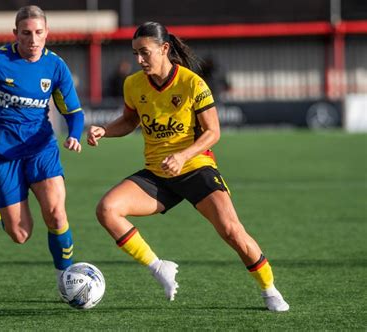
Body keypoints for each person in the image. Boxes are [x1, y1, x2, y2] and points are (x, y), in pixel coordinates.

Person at [87, 21, 289, 312]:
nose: (139, 60)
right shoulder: (133, 85)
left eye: (145, 53)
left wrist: (182, 156)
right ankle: (159, 268)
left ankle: (270, 290)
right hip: (158, 175)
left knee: (232, 231)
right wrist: (105, 130)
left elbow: (213, 132)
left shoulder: (192, 82)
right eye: (135, 54)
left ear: (164, 48)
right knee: (106, 209)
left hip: (196, 168)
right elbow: (130, 121)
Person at [0, 5, 84, 286]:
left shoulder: (55, 66)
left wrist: (74, 134)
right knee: (21, 235)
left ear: (47, 33)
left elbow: (74, 112)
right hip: (0, 152)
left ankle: (66, 278)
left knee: (57, 213)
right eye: (26, 33)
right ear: (15, 34)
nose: (33, 40)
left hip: (40, 147)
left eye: (39, 33)